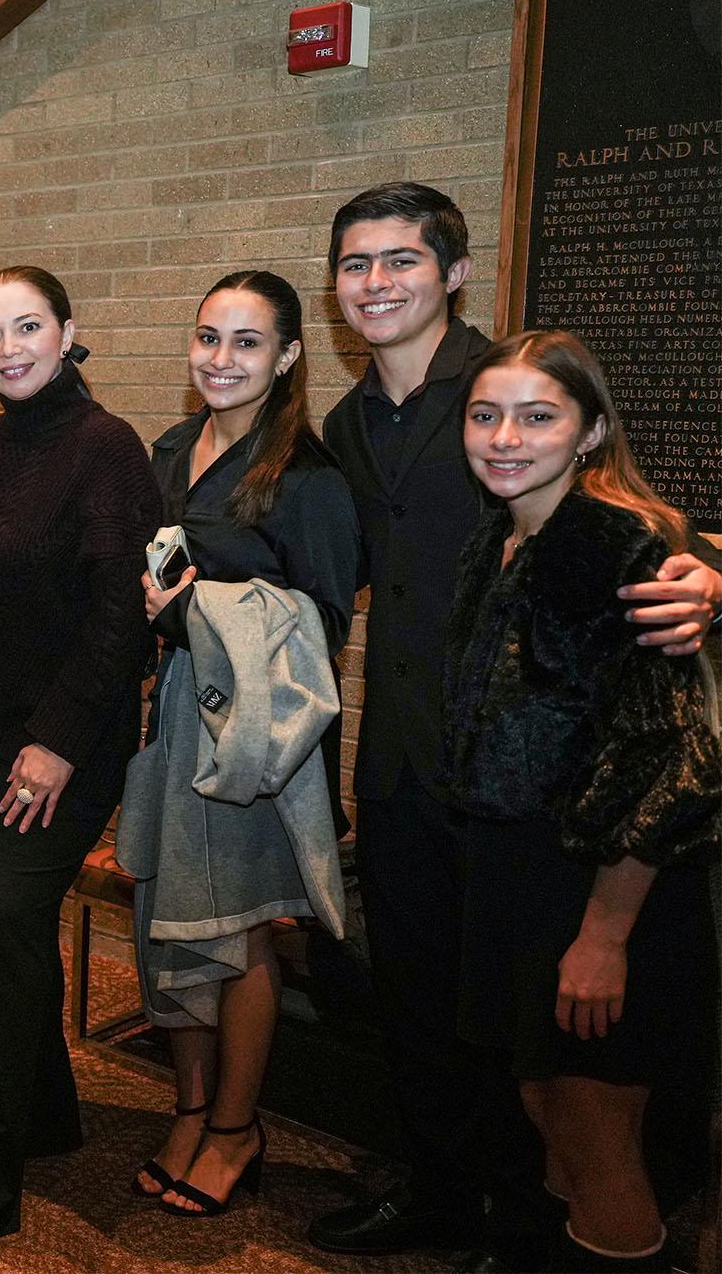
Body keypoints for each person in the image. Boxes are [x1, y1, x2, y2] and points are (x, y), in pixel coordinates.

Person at [310, 183, 722, 1270]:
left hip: (555, 820)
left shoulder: (506, 384)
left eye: (400, 260)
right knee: (433, 1009)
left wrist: (713, 578)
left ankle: (530, 1220)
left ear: (450, 272)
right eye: (354, 264)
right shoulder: (346, 424)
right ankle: (443, 1196)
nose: (375, 283)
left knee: (550, 1060)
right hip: (409, 761)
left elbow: (654, 542)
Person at [443, 330, 720, 1273]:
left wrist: (603, 937)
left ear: (591, 429)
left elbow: (670, 762)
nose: (505, 436)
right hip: (519, 873)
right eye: (486, 415)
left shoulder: (616, 544)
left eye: (537, 415)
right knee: (547, 1108)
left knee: (600, 1140)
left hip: (605, 887)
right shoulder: (504, 536)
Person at [0, 267, 162, 1271]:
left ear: (68, 331)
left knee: (4, 925)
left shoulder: (104, 447)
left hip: (61, 746)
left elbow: (122, 615)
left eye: (27, 326)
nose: (8, 345)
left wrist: (57, 739)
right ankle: (47, 1115)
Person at [124, 270, 361, 1216]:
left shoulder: (306, 480)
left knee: (238, 928)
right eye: (208, 337)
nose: (221, 360)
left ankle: (236, 1127)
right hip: (172, 714)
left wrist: (197, 618)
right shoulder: (172, 449)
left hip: (258, 736)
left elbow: (321, 629)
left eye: (247, 343)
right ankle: (189, 1107)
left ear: (290, 356)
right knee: (169, 918)